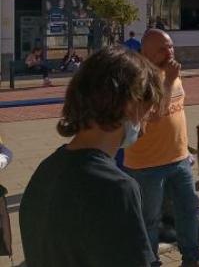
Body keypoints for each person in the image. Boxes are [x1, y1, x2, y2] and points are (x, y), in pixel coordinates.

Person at [20, 47, 164, 267]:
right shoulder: (116, 188)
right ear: (130, 104)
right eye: (147, 109)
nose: (147, 120)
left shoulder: (47, 169)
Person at [124, 30, 199, 267]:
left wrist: (185, 150)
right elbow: (154, 116)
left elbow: (176, 112)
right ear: (145, 53)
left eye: (171, 47)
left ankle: (192, 257)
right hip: (146, 165)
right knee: (150, 218)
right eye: (162, 49)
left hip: (178, 159)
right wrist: (166, 81)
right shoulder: (137, 79)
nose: (169, 53)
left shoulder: (172, 72)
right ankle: (150, 262)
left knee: (188, 209)